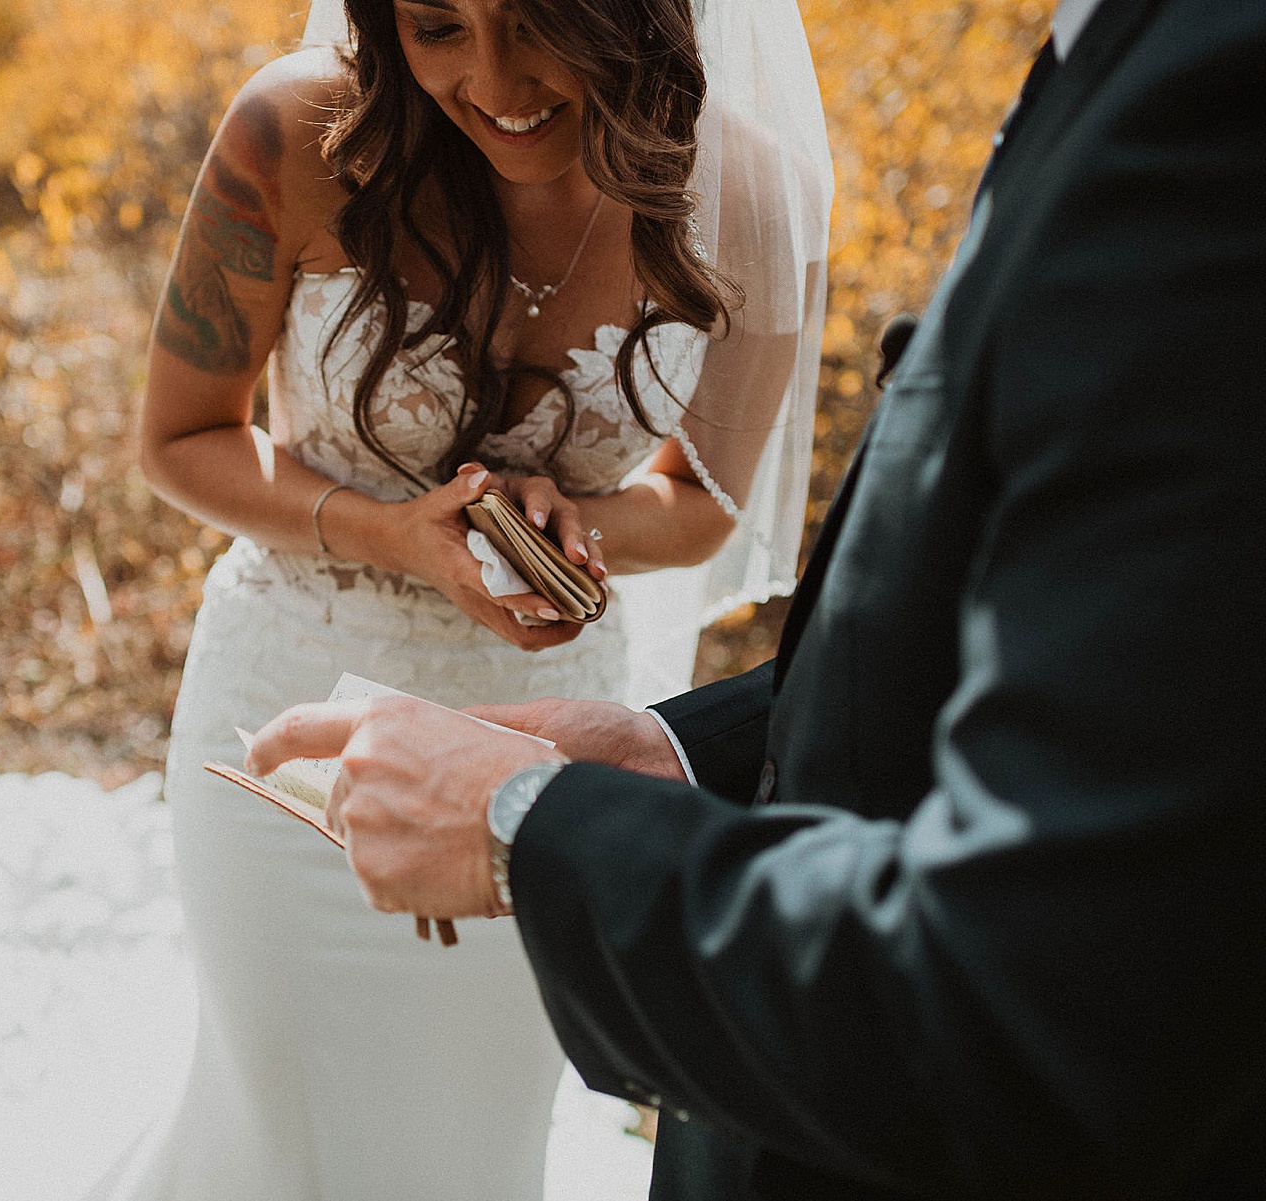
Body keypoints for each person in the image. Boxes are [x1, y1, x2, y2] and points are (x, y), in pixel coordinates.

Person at [247, 0, 1266, 1196]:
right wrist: (680, 750)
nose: (495, 71)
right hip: (287, 669)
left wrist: (534, 828)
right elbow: (1090, 659)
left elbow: (1048, 994)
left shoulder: (1216, 109)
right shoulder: (1123, 57)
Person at [103, 0, 830, 1195]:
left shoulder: (755, 198)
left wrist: (573, 524)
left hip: (538, 752)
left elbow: (702, 501)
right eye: (439, 24)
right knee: (274, 1129)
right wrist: (394, 534)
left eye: (539, 18)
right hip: (282, 733)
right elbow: (182, 437)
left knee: (473, 1147)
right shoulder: (295, 129)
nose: (494, 80)